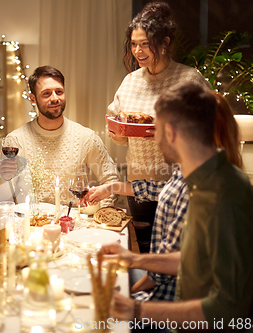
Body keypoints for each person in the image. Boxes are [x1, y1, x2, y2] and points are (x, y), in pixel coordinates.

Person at [103, 82, 253, 330]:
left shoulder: (224, 197)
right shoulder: (202, 179)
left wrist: (137, 309)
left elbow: (226, 311)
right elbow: (195, 261)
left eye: (156, 129)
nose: (154, 137)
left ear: (171, 133)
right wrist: (133, 259)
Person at [83, 90, 243, 302]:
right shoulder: (192, 168)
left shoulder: (198, 191)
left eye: (160, 129)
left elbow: (164, 272)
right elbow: (161, 189)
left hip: (171, 298)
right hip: (162, 281)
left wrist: (124, 295)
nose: (155, 137)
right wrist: (111, 187)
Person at [107, 2, 209, 234]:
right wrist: (118, 133)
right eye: (133, 44)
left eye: (145, 44)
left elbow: (210, 132)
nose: (138, 51)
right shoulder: (130, 81)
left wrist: (168, 134)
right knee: (145, 248)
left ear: (164, 43)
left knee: (179, 255)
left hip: (180, 185)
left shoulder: (189, 79)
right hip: (139, 185)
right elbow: (120, 133)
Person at [0, 65, 119, 206]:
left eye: (59, 92)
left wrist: (99, 215)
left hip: (73, 225)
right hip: (31, 223)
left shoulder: (86, 138)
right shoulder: (15, 140)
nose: (55, 98)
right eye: (46, 94)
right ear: (33, 99)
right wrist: (4, 178)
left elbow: (112, 180)